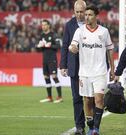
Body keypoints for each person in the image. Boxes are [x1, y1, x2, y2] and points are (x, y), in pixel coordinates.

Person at [69, 5, 115, 135]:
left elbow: (110, 50)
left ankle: (96, 129)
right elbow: (72, 45)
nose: (86, 17)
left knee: (99, 100)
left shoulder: (104, 32)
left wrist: (112, 69)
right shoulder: (80, 31)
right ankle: (90, 126)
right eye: (86, 14)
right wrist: (72, 48)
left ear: (96, 16)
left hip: (100, 72)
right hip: (84, 73)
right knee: (87, 101)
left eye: (90, 15)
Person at [60, 0, 86, 134]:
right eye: (77, 12)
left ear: (86, 11)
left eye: (82, 12)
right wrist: (63, 65)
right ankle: (79, 126)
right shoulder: (69, 25)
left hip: (89, 67)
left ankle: (92, 123)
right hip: (74, 67)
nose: (80, 14)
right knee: (76, 98)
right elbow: (65, 45)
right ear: (74, 11)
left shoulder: (93, 24)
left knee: (90, 98)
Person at [36, 19, 63, 103]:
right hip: (45, 60)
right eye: (42, 25)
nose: (43, 26)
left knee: (54, 76)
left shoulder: (54, 35)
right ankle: (49, 97)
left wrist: (50, 45)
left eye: (44, 25)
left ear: (48, 26)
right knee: (46, 77)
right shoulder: (41, 36)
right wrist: (39, 46)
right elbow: (38, 50)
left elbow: (59, 45)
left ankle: (59, 97)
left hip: (52, 59)